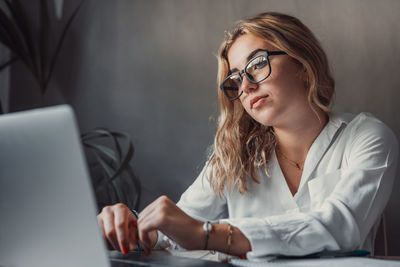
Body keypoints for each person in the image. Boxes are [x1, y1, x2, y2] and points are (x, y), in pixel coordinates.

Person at [97, 12, 398, 259]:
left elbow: (339, 225)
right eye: (235, 79)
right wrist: (133, 227)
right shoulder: (234, 154)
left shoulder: (366, 137)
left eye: (257, 64)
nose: (247, 86)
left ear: (303, 65)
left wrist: (210, 235)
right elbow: (175, 229)